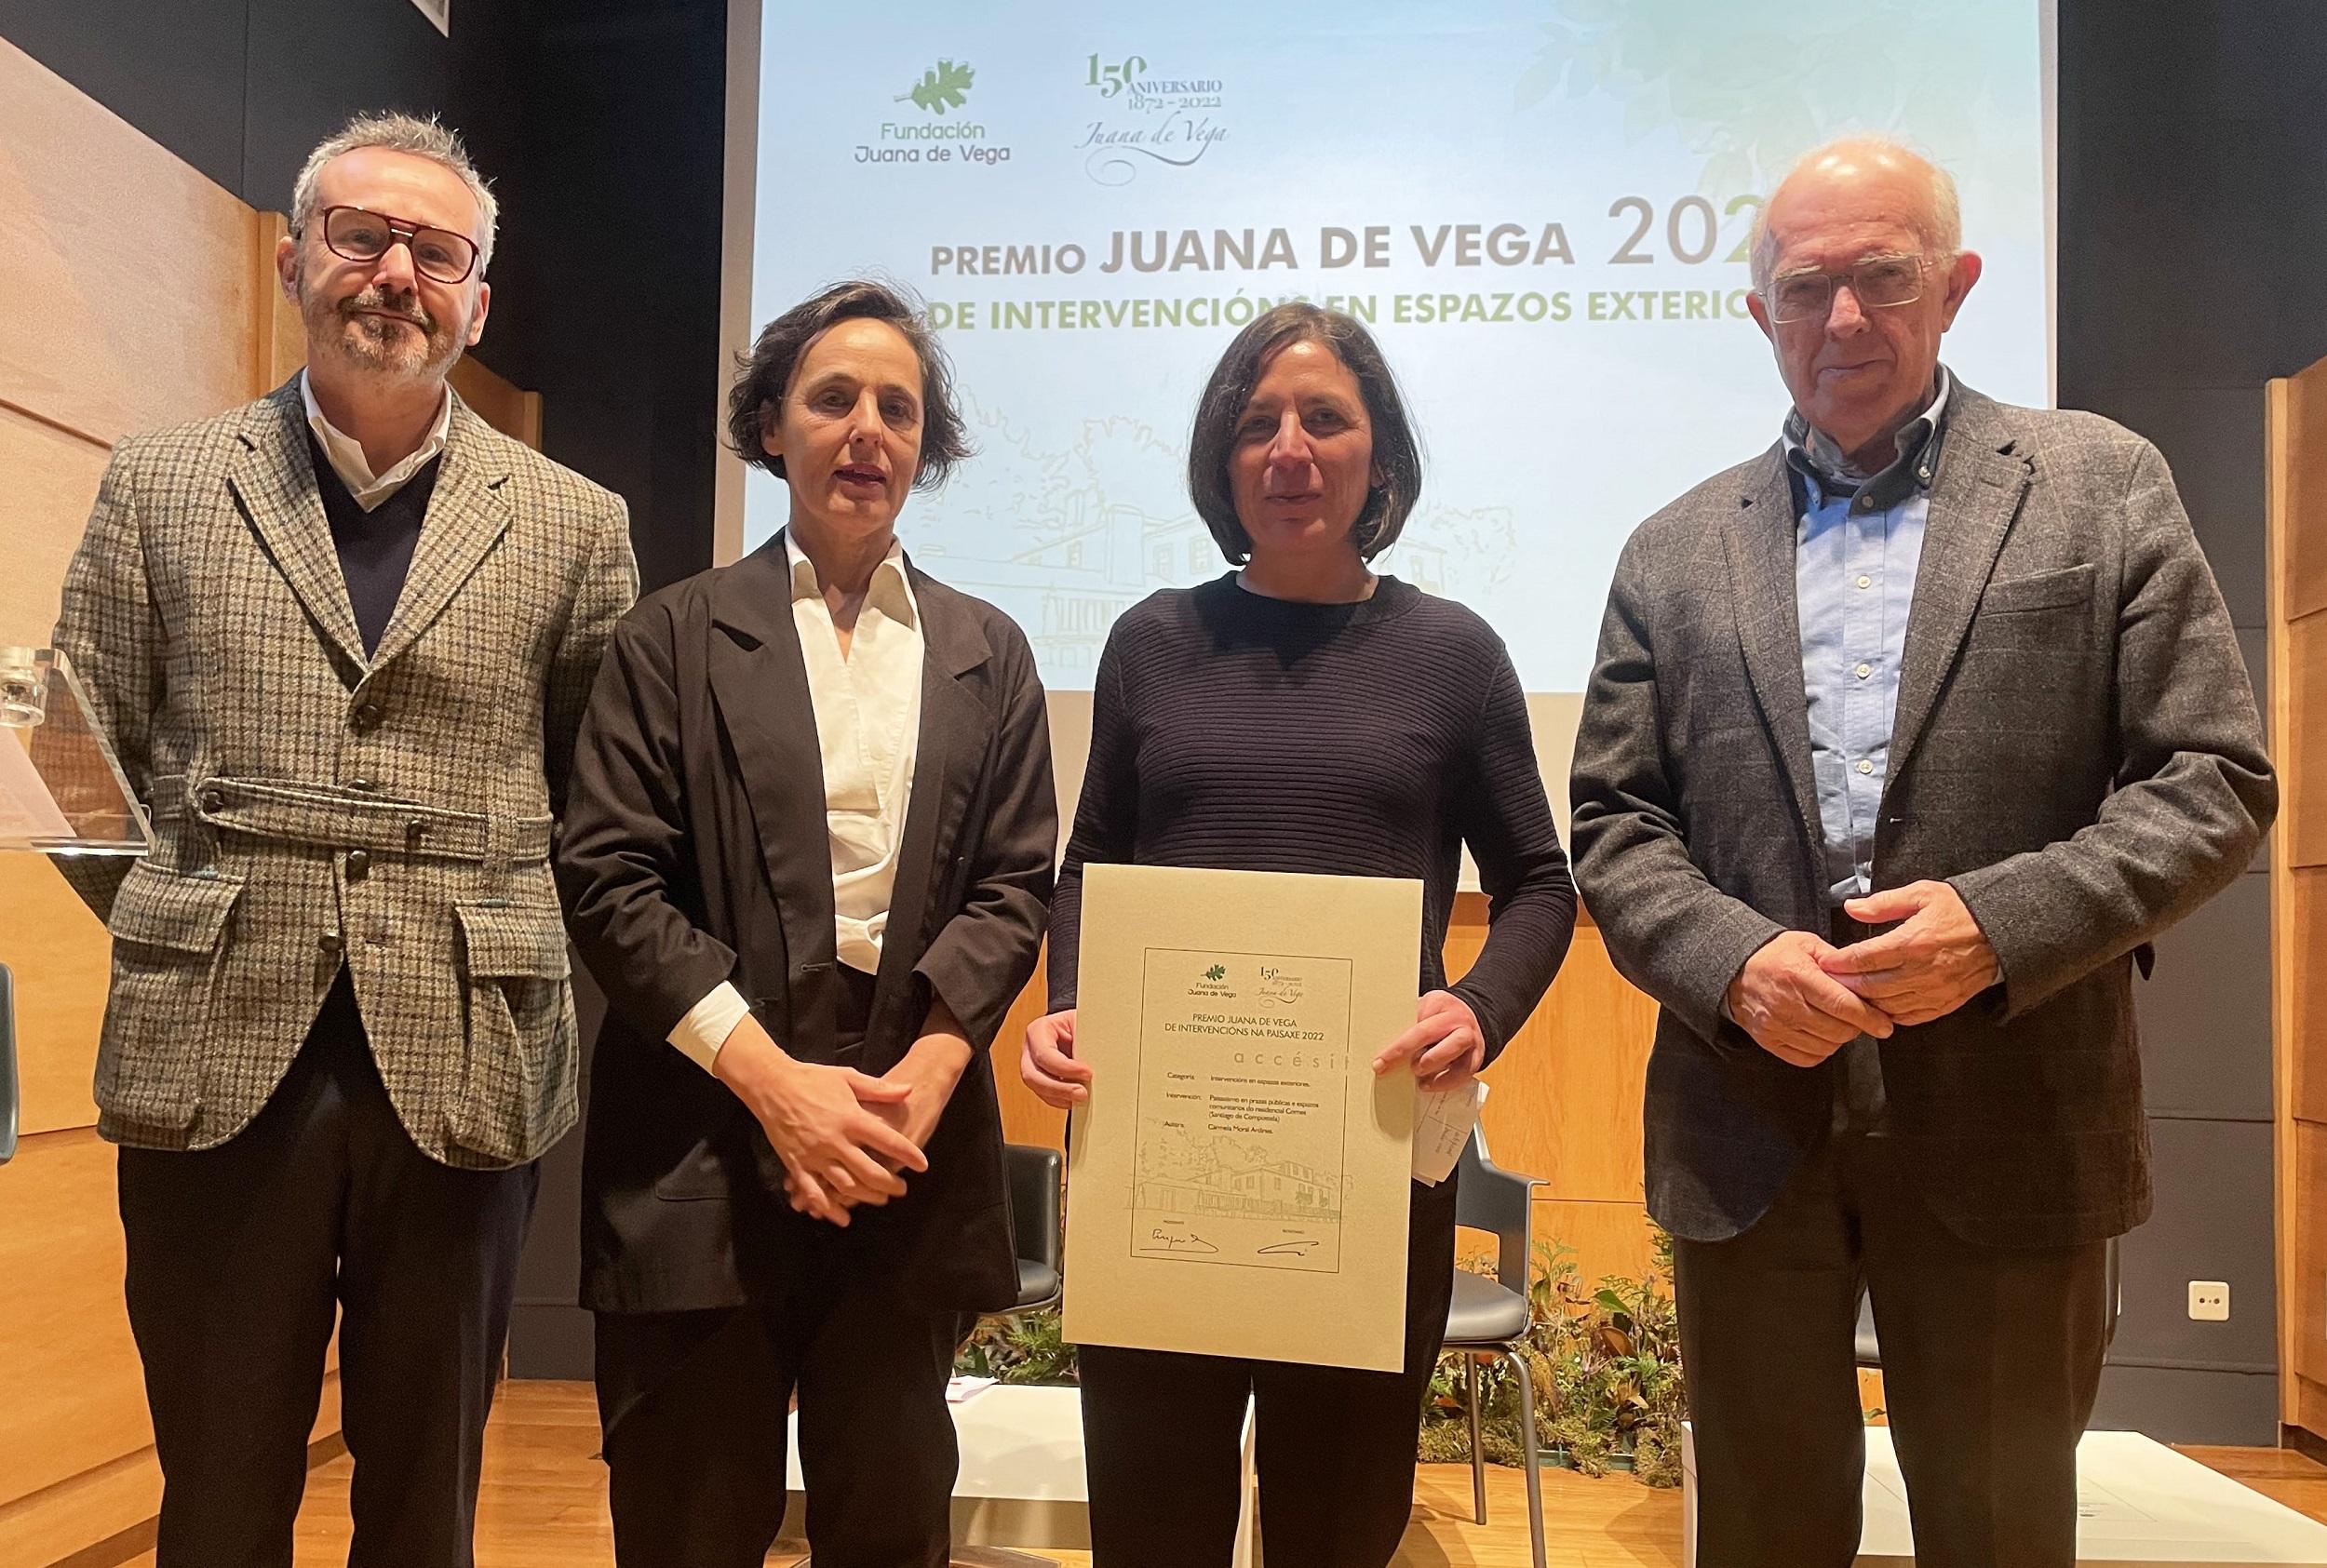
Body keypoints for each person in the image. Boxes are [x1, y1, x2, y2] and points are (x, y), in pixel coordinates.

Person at [1568, 135, 2276, 1568]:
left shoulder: (2102, 483)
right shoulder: (1671, 545)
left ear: (1952, 286)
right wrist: (1734, 956)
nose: (1842, 320)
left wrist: (1996, 927)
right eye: (1805, 286)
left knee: (2004, 1533)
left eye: (1882, 278)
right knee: (1760, 1536)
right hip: (1746, 1126)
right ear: (1757, 312)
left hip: (2016, 1112)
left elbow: (2213, 779)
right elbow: (1613, 823)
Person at [49, 112, 637, 1564]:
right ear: (297, 257)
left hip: (464, 1057)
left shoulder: (576, 523)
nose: (397, 272)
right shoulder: (162, 482)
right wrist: (184, 908)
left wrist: (503, 932)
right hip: (211, 1048)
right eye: (363, 236)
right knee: (218, 1483)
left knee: (425, 1492)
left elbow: (602, 799)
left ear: (476, 300)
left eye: (437, 252)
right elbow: (75, 757)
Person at [1021, 302, 1577, 1567]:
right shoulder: (1150, 642)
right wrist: (1067, 1004)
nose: (1292, 447)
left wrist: (1480, 1002)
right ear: (1224, 460)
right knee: (1153, 1533)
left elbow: (1541, 881)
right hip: (1161, 1173)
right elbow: (1090, 866)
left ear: (1379, 460)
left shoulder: (1454, 654)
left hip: (1368, 1178)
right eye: (1258, 422)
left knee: (1335, 1531)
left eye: (1327, 419)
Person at [556, 279, 1056, 1568]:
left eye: (899, 406)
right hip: (700, 1147)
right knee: (684, 1528)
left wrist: (921, 1085)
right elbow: (610, 875)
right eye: (833, 398)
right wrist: (780, 1090)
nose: (867, 429)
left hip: (904, 1149)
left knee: (891, 1535)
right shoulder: (669, 633)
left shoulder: (989, 651)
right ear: (774, 425)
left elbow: (1014, 886)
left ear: (924, 447)